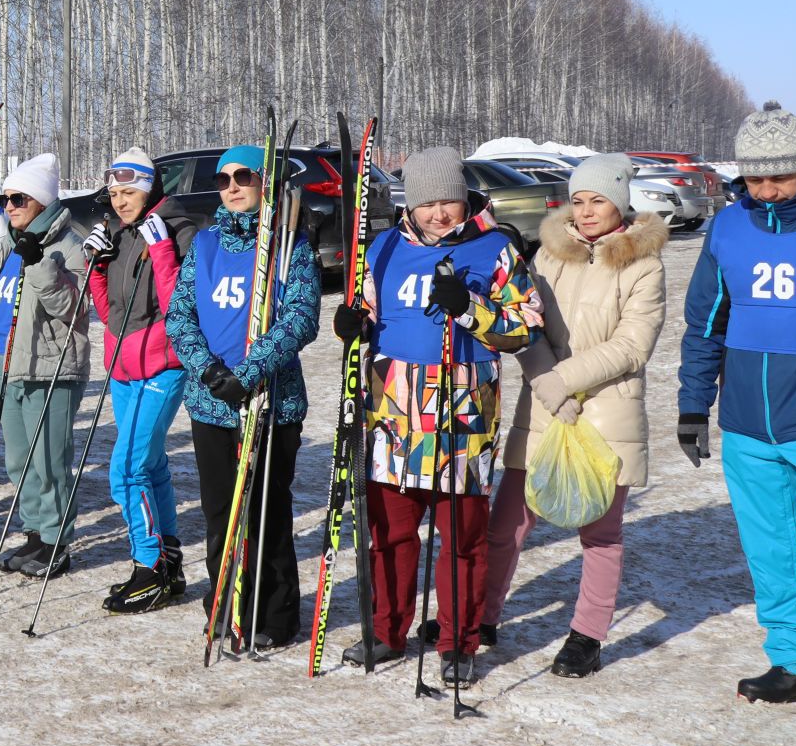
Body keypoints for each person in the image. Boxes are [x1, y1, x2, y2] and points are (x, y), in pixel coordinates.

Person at [333, 145, 534, 686]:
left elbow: (523, 328)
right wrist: (352, 324)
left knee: (461, 541)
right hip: (394, 414)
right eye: (428, 204)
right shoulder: (382, 247)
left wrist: (469, 308)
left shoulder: (495, 249)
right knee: (390, 536)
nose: (439, 213)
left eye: (449, 200)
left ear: (464, 199)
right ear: (410, 205)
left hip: (462, 415)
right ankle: (386, 631)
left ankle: (457, 643)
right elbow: (367, 311)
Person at [486, 154, 667, 679]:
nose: (587, 212)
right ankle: (482, 617)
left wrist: (562, 380)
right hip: (544, 408)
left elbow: (633, 346)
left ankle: (586, 636)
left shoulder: (643, 264)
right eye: (580, 200)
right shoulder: (548, 255)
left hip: (607, 415)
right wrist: (547, 384)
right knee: (508, 525)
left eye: (599, 201)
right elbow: (527, 324)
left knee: (601, 533)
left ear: (621, 204)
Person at [678, 101, 796, 704]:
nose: (768, 190)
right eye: (756, 178)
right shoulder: (727, 228)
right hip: (750, 427)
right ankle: (794, 659)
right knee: (773, 547)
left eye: (780, 176)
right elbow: (705, 323)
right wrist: (692, 406)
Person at [166, 144, 320, 648]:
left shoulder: (291, 244)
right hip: (213, 403)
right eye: (223, 179)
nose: (231, 187)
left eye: (243, 177)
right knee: (220, 511)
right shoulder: (205, 245)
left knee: (268, 509)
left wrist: (251, 372)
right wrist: (209, 371)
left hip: (270, 402)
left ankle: (275, 615)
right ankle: (228, 604)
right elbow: (180, 315)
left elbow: (300, 318)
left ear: (266, 183)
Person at [85, 146, 193, 613]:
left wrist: (163, 248)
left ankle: (147, 565)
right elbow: (110, 315)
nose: (119, 200)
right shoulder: (123, 232)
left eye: (128, 191)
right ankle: (168, 560)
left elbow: (180, 311)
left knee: (126, 469)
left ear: (148, 188)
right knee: (150, 467)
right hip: (123, 367)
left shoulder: (179, 228)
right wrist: (98, 269)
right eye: (113, 192)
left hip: (163, 365)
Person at [0, 153, 88, 574]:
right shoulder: (6, 239)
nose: (9, 206)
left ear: (41, 200)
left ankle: (57, 540)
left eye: (19, 198)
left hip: (51, 369)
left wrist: (39, 264)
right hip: (7, 362)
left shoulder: (68, 245)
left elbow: (71, 308)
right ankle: (35, 535)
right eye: (6, 198)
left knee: (50, 460)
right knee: (19, 460)